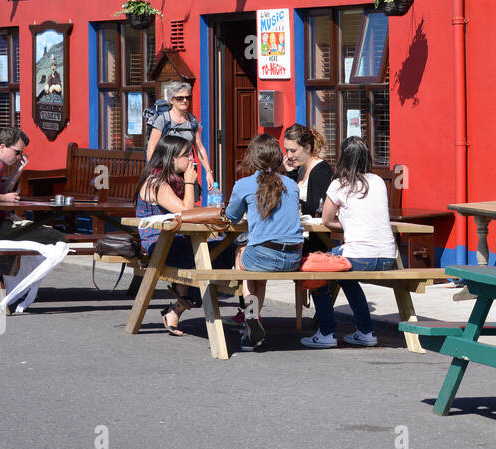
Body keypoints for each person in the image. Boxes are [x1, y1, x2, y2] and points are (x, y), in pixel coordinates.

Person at [302, 136, 395, 349]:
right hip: (388, 256)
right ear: (366, 157)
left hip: (360, 255)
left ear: (343, 158)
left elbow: (326, 220)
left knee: (318, 267)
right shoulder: (378, 182)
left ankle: (326, 332)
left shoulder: (339, 184)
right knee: (346, 276)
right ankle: (365, 330)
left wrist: (348, 226)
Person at [226, 134, 304, 352]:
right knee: (258, 270)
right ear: (279, 158)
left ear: (252, 159)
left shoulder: (244, 185)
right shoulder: (291, 184)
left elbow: (231, 217)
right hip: (293, 257)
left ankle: (251, 317)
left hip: (262, 254)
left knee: (243, 253)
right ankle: (252, 331)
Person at [136, 133, 202, 336]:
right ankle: (183, 303)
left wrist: (190, 182)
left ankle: (179, 307)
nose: (191, 160)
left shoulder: (173, 180)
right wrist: (190, 182)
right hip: (158, 242)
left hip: (175, 239)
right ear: (172, 158)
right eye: (186, 156)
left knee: (219, 249)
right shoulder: (156, 183)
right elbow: (187, 213)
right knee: (217, 254)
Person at [145, 81, 214, 187]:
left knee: (189, 201)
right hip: (165, 171)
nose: (185, 101)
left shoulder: (192, 121)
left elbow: (199, 148)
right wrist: (154, 172)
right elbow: (151, 147)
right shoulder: (163, 120)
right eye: (180, 98)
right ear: (171, 100)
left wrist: (208, 172)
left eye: (187, 97)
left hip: (187, 171)